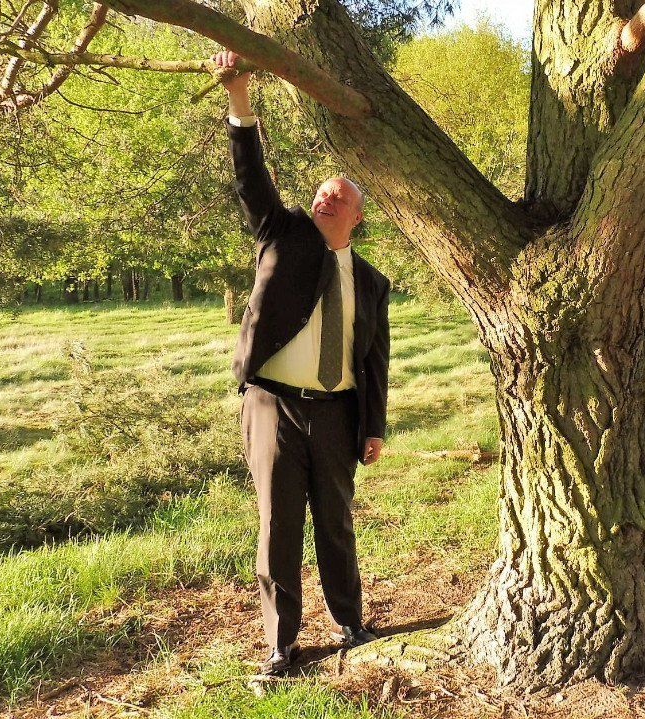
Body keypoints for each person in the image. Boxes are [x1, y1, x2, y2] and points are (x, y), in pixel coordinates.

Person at [211, 49, 390, 677]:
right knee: (277, 529)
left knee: (335, 525)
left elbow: (372, 360)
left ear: (357, 216)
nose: (324, 199)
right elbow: (252, 178)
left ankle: (349, 623)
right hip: (274, 406)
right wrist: (240, 98)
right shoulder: (283, 237)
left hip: (339, 414)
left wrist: (373, 425)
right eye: (319, 193)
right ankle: (280, 645)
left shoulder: (370, 281)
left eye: (337, 196)